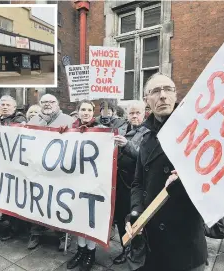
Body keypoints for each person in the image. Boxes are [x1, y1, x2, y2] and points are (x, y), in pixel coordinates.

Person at [125, 73, 207, 271]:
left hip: (185, 242)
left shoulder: (195, 131)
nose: (162, 95)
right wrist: (136, 212)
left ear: (175, 95)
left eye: (168, 89)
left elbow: (211, 181)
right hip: (152, 241)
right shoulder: (146, 138)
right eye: (155, 91)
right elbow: (138, 183)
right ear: (147, 101)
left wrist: (187, 181)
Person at [28, 94, 74, 251]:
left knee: (57, 203)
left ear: (58, 104)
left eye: (51, 102)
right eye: (44, 102)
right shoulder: (33, 121)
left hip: (59, 171)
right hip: (38, 170)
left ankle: (62, 236)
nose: (48, 104)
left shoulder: (68, 120)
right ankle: (36, 233)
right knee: (36, 201)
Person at [66, 100, 106, 271]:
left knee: (91, 219)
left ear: (93, 112)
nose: (86, 112)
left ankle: (91, 252)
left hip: (94, 182)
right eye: (83, 109)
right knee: (78, 218)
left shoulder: (101, 130)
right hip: (75, 181)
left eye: (89, 109)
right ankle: (80, 251)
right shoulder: (71, 129)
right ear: (78, 112)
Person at [112, 100, 149, 265]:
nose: (134, 116)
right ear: (127, 114)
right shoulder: (120, 128)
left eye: (137, 113)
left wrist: (126, 145)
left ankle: (137, 253)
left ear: (144, 113)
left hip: (135, 185)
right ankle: (125, 249)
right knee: (120, 219)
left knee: (135, 221)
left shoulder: (148, 132)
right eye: (131, 113)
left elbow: (144, 156)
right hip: (118, 183)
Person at [0, 95, 28, 240]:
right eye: (2, 104)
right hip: (3, 165)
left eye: (8, 105)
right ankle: (11, 223)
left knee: (14, 197)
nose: (5, 106)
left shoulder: (19, 120)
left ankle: (15, 228)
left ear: (14, 107)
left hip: (16, 166)